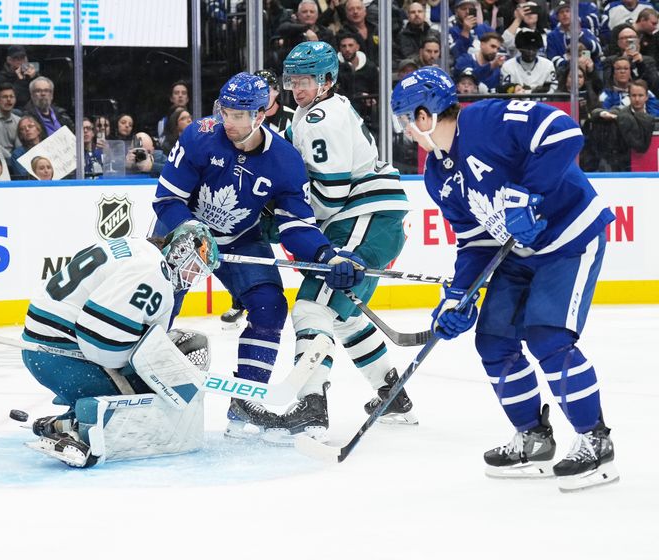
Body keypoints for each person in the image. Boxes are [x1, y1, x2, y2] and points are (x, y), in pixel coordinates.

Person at [390, 67, 619, 492]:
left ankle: (595, 440)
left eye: (404, 119)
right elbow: (476, 242)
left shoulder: (488, 119)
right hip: (518, 254)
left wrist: (526, 193)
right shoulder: (438, 175)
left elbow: (564, 132)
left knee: (548, 337)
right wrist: (458, 297)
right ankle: (533, 437)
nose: (404, 131)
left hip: (569, 239)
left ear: (423, 117)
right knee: (494, 341)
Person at [153, 71, 363, 438]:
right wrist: (190, 232)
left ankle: (245, 400)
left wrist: (327, 255)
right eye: (225, 112)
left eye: (238, 115)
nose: (228, 122)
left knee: (270, 306)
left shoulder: (284, 160)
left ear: (260, 116)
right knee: (160, 303)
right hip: (185, 231)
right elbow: (167, 200)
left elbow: (295, 226)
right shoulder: (200, 136)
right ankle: (138, 385)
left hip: (240, 238)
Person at [258, 41, 413, 445]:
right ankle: (391, 393)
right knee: (341, 315)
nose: (297, 88)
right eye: (292, 80)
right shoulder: (310, 113)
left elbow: (329, 195)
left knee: (312, 308)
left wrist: (282, 222)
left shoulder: (320, 118)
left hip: (362, 218)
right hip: (370, 220)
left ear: (327, 80)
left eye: (306, 80)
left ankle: (311, 404)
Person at [21, 226, 218, 467]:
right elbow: (98, 340)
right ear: (180, 252)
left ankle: (62, 422)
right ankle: (74, 427)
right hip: (60, 356)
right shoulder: (154, 272)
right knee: (142, 404)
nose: (191, 277)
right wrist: (147, 370)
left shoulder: (136, 246)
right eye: (194, 267)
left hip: (42, 348)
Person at [0, 45, 38, 109]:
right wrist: (20, 81)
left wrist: (34, 77)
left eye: (22, 58)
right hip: (14, 108)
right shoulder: (2, 76)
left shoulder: (32, 73)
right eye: (16, 58)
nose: (20, 61)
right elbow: (12, 99)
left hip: (33, 107)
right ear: (9, 60)